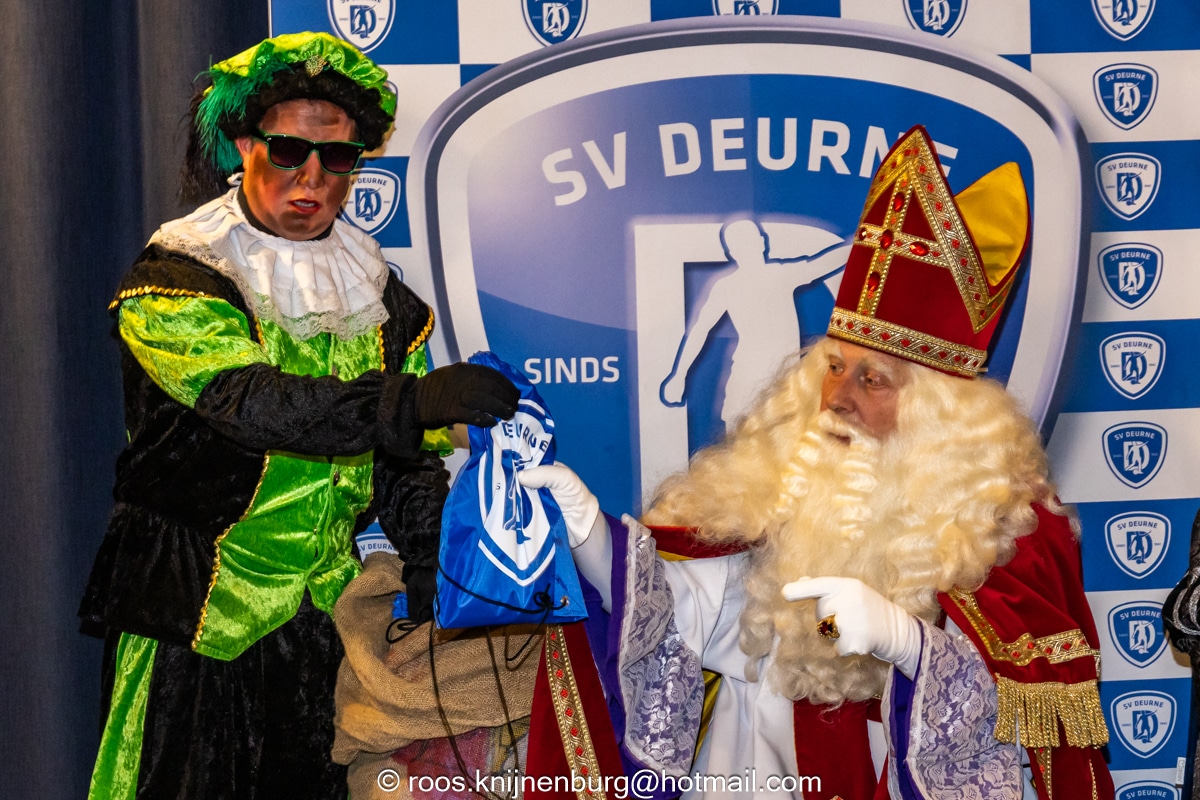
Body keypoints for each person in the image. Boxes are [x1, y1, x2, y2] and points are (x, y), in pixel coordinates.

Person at [522, 126, 1113, 799]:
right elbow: (692, 619)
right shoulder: (786, 487)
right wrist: (593, 539)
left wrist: (910, 645)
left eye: (872, 380)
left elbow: (1040, 737)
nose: (836, 398)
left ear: (940, 414)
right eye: (834, 366)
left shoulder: (1012, 531)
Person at [78, 32, 518, 800]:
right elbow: (252, 406)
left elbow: (402, 458)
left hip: (324, 621)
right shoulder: (181, 276)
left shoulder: (380, 297)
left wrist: (432, 564)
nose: (312, 179)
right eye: (288, 152)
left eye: (338, 158)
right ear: (245, 147)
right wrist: (410, 400)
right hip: (195, 613)